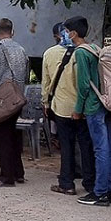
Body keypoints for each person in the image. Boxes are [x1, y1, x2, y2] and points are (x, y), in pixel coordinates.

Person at [66, 16, 111, 205]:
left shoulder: (81, 52)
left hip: (93, 106)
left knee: (100, 149)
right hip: (106, 103)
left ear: (73, 33)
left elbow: (83, 85)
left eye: (67, 32)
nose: (66, 35)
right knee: (110, 148)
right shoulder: (95, 48)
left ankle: (100, 192)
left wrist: (78, 109)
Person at [43, 22, 95, 194]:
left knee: (66, 146)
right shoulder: (87, 52)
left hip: (61, 107)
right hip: (82, 106)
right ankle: (90, 182)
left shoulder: (49, 53)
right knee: (86, 145)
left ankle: (67, 183)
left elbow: (46, 83)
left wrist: (45, 103)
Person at [0, 18, 29, 188]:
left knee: (1, 137)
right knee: (13, 136)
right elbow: (25, 75)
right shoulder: (21, 50)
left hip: (1, 100)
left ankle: (6, 176)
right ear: (12, 32)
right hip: (16, 98)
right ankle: (18, 172)